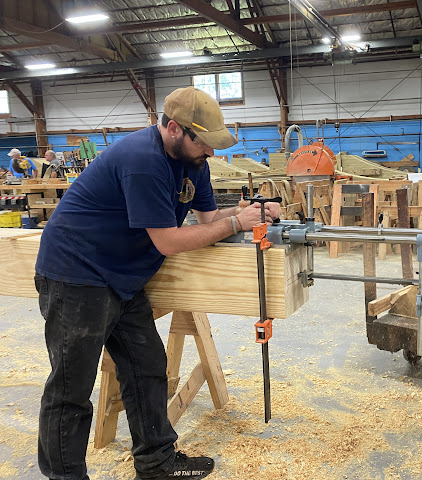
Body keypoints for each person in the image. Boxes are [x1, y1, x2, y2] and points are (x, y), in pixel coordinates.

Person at [34, 86, 280, 480]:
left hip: (122, 277)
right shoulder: (142, 159)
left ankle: (156, 462)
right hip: (76, 273)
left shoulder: (194, 163)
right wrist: (237, 224)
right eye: (205, 143)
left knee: (147, 366)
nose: (212, 153)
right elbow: (168, 241)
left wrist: (245, 210)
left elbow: (206, 218)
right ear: (173, 129)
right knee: (71, 388)